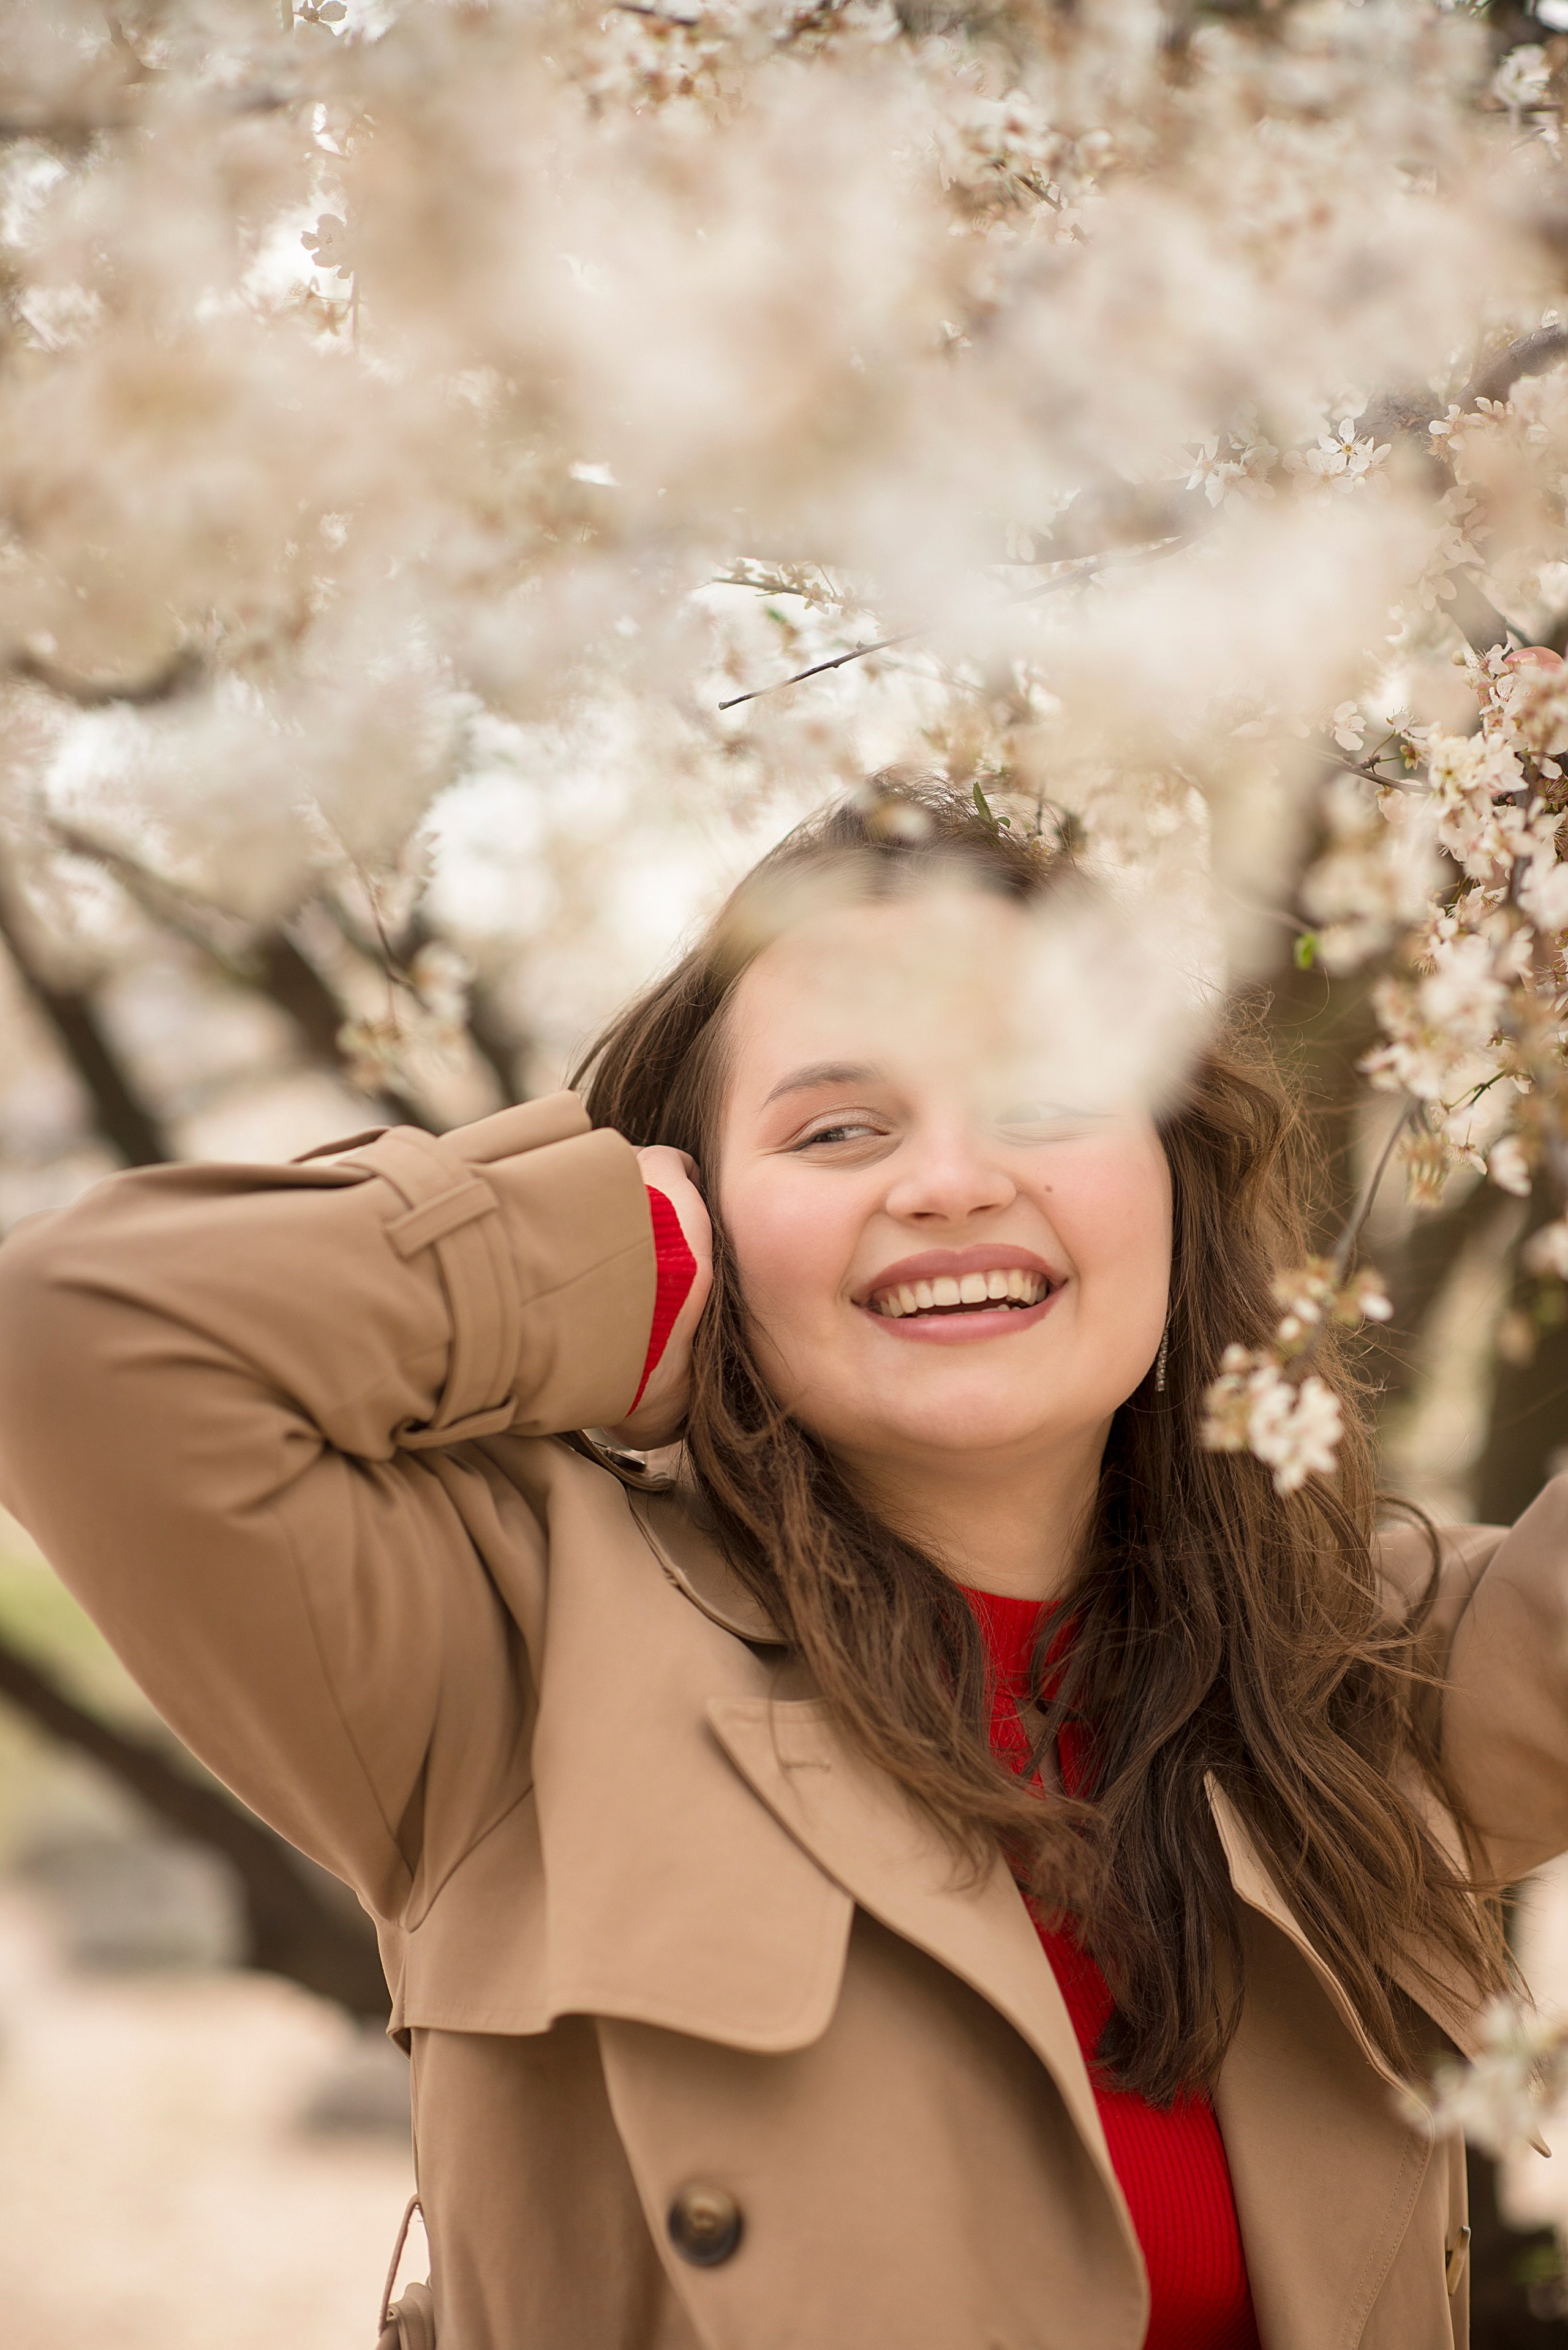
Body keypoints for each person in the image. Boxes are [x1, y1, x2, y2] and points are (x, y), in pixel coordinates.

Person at [0, 777, 1552, 2350]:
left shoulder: (1361, 1662)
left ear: (1170, 1180)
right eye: (835, 1130)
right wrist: (608, 1264)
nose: (950, 1181)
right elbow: (75, 1335)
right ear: (702, 1207)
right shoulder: (513, 1649)